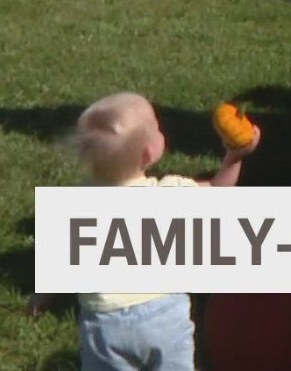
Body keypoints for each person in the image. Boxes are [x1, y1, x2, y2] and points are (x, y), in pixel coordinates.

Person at [28, 92, 260, 370]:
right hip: (163, 316)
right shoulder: (169, 193)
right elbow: (218, 190)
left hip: (104, 321)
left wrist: (43, 295)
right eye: (157, 127)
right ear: (149, 153)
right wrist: (235, 155)